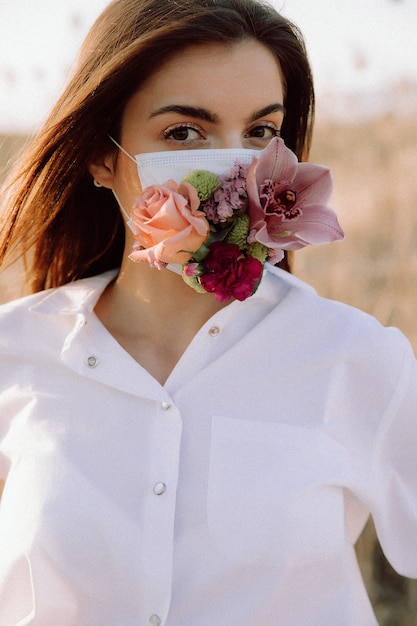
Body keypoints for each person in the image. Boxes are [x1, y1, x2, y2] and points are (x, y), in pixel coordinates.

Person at [0, 0, 416, 624]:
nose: (235, 169)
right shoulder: (15, 353)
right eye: (183, 133)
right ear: (101, 156)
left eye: (260, 132)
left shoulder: (355, 359)